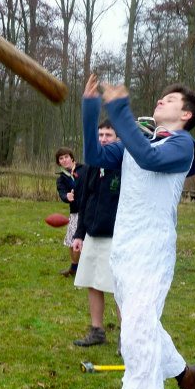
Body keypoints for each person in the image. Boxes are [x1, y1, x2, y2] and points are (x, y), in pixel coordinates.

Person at [82, 74, 195, 389]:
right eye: (161, 97)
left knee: (135, 330)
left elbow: (150, 159)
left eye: (170, 100)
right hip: (124, 249)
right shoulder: (139, 141)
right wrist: (91, 109)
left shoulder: (181, 146)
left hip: (153, 250)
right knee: (143, 326)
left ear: (185, 115)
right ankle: (186, 375)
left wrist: (119, 110)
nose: (161, 101)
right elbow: (94, 155)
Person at [71, 119, 122, 347]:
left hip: (116, 237)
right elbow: (85, 200)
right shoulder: (93, 164)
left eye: (108, 135)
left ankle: (126, 339)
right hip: (92, 234)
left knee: (119, 289)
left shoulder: (124, 165)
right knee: (92, 281)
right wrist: (79, 234)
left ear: (118, 138)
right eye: (100, 135)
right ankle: (97, 331)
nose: (103, 139)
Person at [55, 147, 84, 277]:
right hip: (75, 212)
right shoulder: (61, 179)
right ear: (59, 162)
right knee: (72, 242)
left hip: (88, 210)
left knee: (83, 242)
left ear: (72, 157)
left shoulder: (84, 169)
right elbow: (62, 193)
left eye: (66, 157)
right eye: (61, 158)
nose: (64, 160)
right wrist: (67, 196)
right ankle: (74, 268)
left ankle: (83, 270)